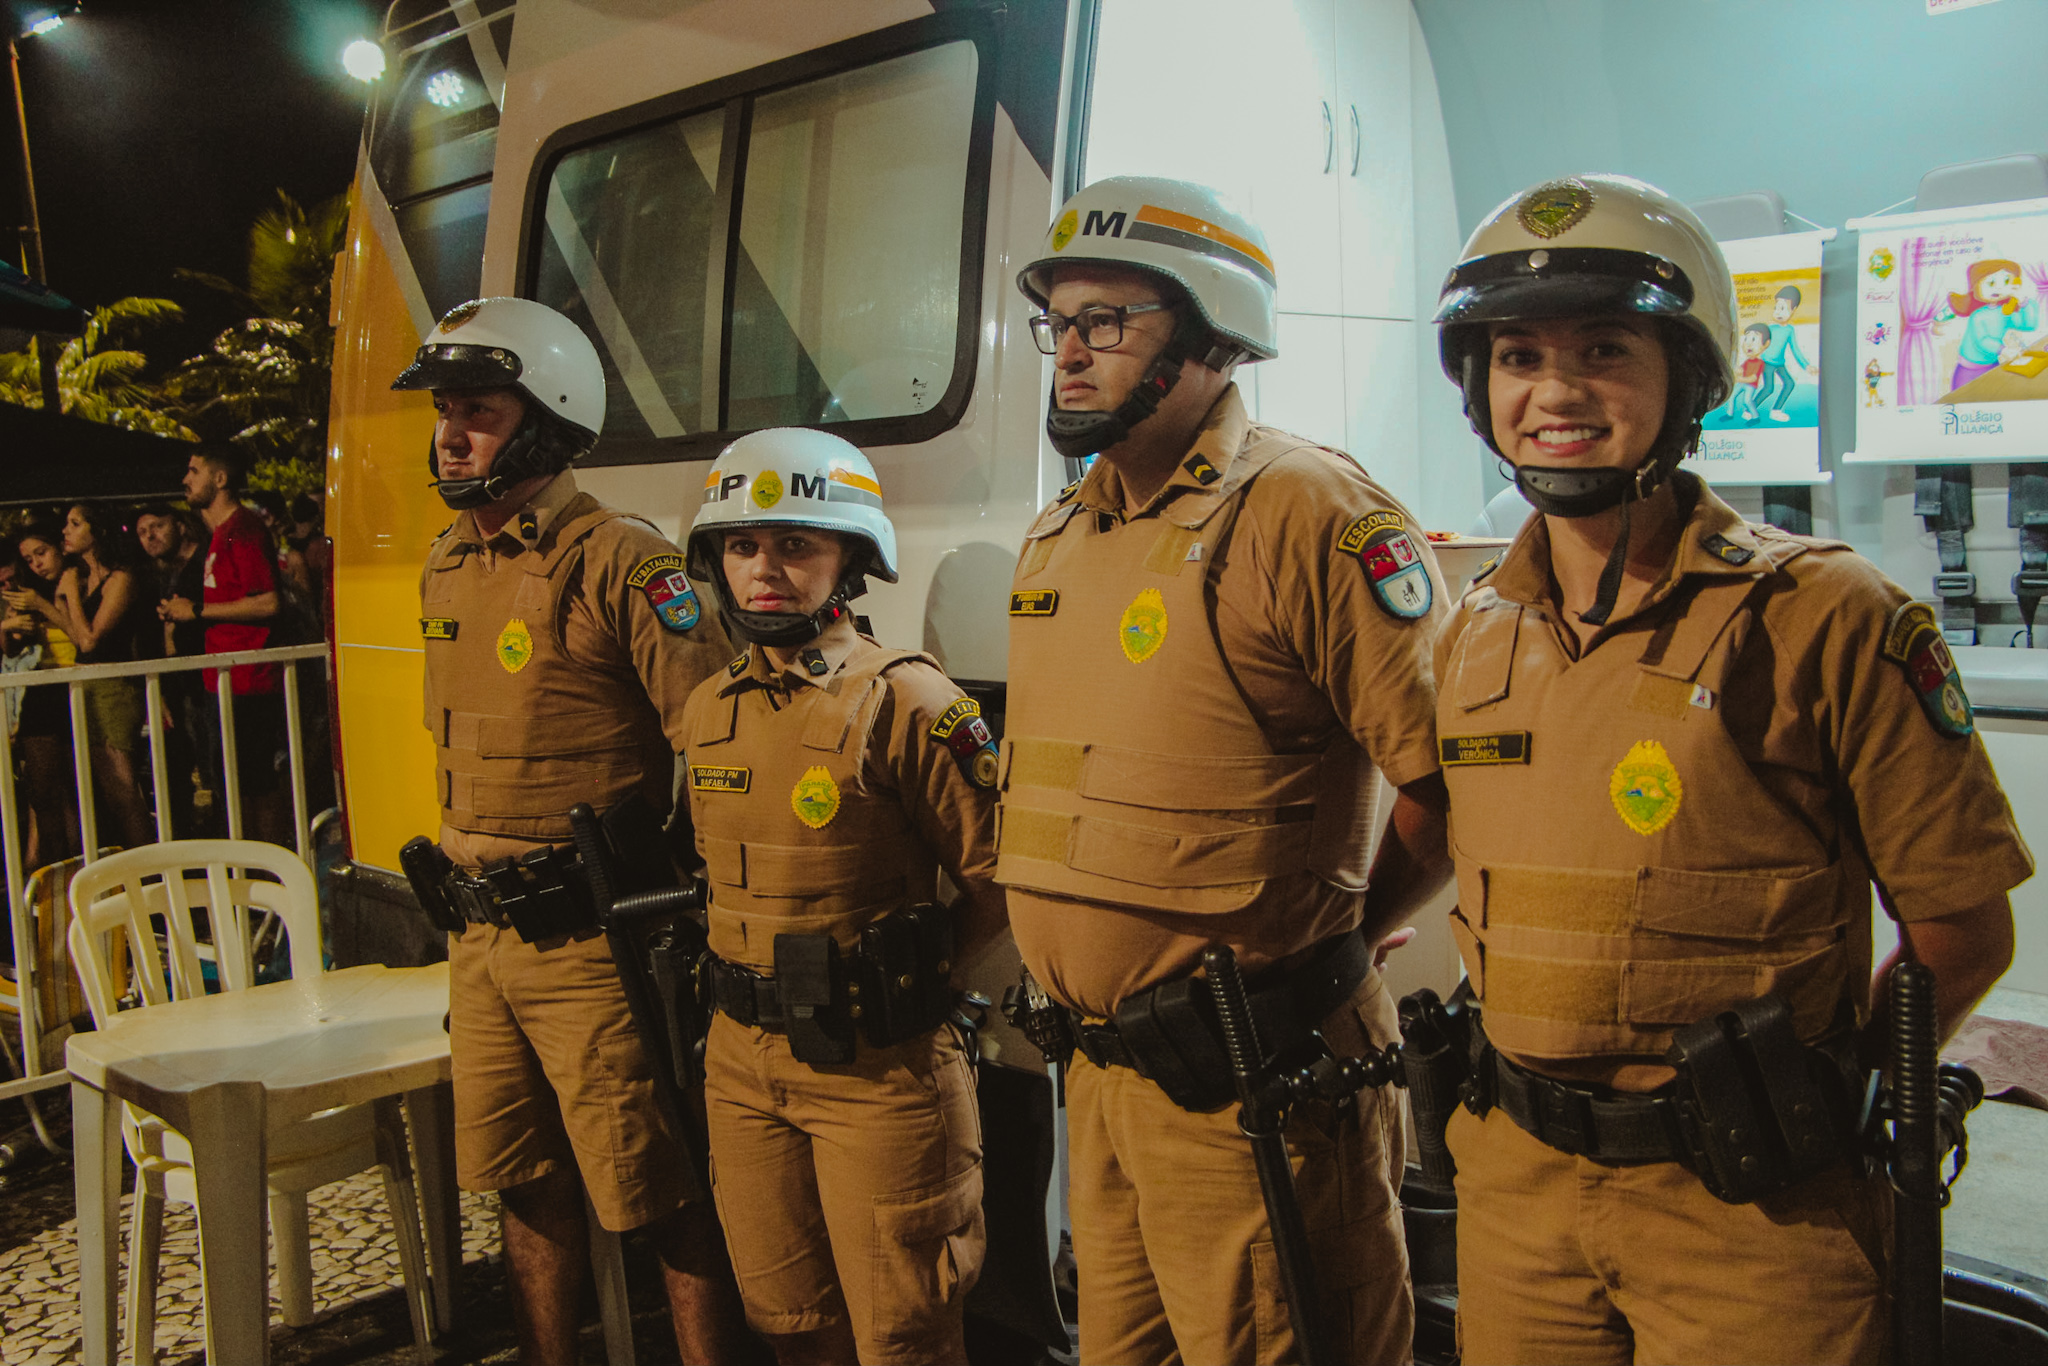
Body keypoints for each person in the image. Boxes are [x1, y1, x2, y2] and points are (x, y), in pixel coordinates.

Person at [1426, 172, 2032, 1364]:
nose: (1553, 391)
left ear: (1689, 377)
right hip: (1516, 1199)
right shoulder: (1472, 629)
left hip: (1752, 1210)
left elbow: (1962, 931)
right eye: (1516, 356)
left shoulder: (1828, 614)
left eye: (1603, 349)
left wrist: (1826, 1090)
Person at [996, 176, 1453, 1366]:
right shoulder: (1058, 536)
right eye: (1060, 323)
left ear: (1210, 332)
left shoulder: (1305, 510)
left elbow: (1448, 781)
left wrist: (1339, 942)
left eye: (1107, 321)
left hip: (1257, 1081)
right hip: (1102, 1083)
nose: (1070, 353)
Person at [388, 296, 746, 1365]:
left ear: (544, 423)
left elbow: (719, 743)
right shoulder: (446, 562)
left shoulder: (623, 563)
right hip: (478, 939)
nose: (451, 435)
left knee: (661, 1189)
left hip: (593, 942)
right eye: (445, 411)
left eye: (479, 412)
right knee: (522, 1181)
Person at [678, 427, 1004, 1366]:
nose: (764, 569)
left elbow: (998, 878)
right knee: (791, 1327)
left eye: (795, 543)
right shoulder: (709, 709)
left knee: (906, 1335)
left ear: (849, 560)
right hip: (742, 1065)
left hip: (878, 1071)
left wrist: (917, 977)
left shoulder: (907, 702)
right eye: (743, 545)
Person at [160, 449, 291, 847]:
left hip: (249, 679)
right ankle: (250, 866)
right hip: (224, 679)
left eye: (194, 471)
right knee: (233, 783)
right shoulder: (221, 532)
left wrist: (197, 611)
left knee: (254, 784)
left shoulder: (242, 528)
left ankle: (267, 869)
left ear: (220, 480)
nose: (186, 480)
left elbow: (267, 601)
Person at [49, 503, 156, 852]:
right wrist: (57, 604)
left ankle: (151, 871)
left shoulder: (121, 578)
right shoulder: (83, 578)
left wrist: (72, 594)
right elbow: (77, 638)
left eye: (75, 524)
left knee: (124, 791)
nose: (66, 531)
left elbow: (92, 640)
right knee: (108, 793)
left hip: (114, 688)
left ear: (98, 531)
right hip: (88, 685)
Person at [4, 521, 79, 869]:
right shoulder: (28, 590)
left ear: (58, 547)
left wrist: (43, 605)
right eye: (29, 559)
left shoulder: (74, 580)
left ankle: (82, 867)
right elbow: (10, 648)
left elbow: (83, 637)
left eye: (41, 553)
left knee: (76, 789)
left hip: (77, 683)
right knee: (42, 788)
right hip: (43, 688)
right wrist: (11, 626)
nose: (37, 564)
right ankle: (53, 869)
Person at [137, 503, 210, 837]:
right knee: (176, 768)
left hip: (207, 679)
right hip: (178, 684)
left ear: (180, 525)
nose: (149, 536)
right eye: (142, 532)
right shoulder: (159, 575)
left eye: (157, 526)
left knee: (216, 767)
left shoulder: (204, 563)